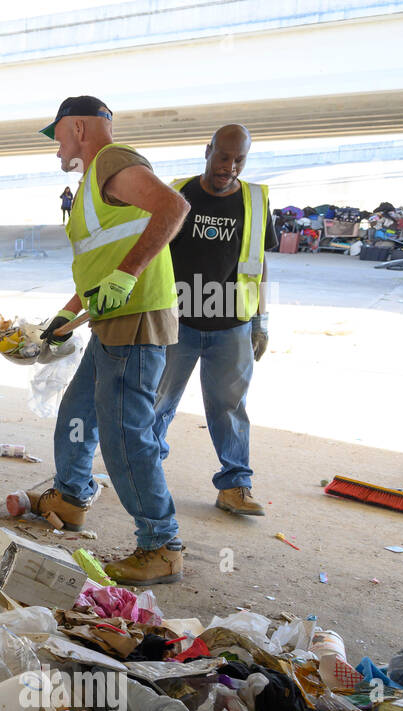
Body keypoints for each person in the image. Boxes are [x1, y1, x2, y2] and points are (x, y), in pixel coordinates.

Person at [32, 96, 191, 586]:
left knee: (126, 436)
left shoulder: (112, 161)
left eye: (58, 136)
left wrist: (126, 276)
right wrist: (68, 311)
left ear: (78, 127)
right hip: (111, 324)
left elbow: (174, 206)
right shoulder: (89, 185)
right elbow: (101, 260)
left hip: (137, 322)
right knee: (78, 413)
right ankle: (72, 497)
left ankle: (160, 543)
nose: (56, 148)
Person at [154, 124, 277, 517]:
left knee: (230, 406)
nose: (230, 166)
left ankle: (235, 486)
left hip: (232, 324)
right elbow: (152, 253)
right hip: (178, 322)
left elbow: (262, 263)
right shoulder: (178, 193)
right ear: (207, 150)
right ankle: (146, 472)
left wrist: (262, 320)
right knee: (158, 401)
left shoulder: (256, 201)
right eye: (223, 156)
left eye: (239, 159)